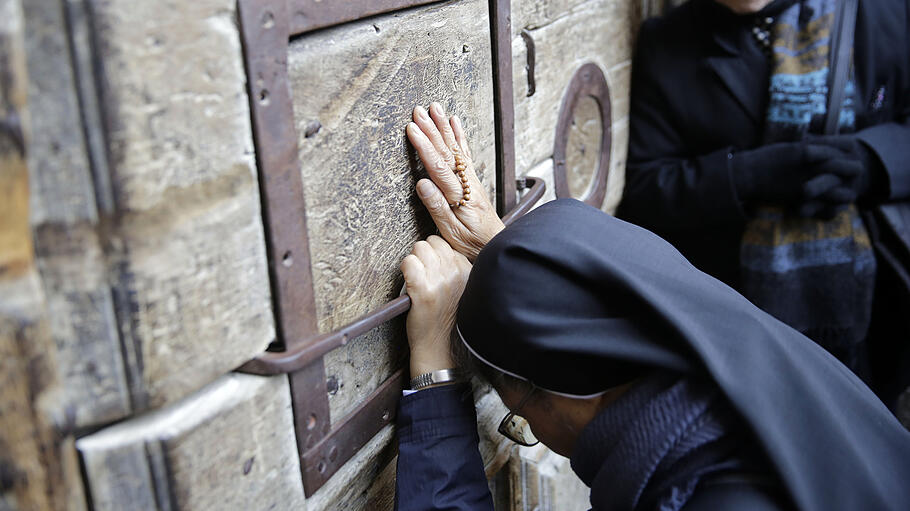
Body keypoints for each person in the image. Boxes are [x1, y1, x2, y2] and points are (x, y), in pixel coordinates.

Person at [393, 104, 910, 511]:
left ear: (579, 394)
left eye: (519, 417)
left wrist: (438, 370)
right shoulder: (757, 370)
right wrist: (515, 264)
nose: (535, 434)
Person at [616, 0, 910, 400]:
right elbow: (647, 191)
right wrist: (748, 174)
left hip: (879, 313)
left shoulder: (882, 11)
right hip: (737, 329)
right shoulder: (669, 41)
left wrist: (872, 161)